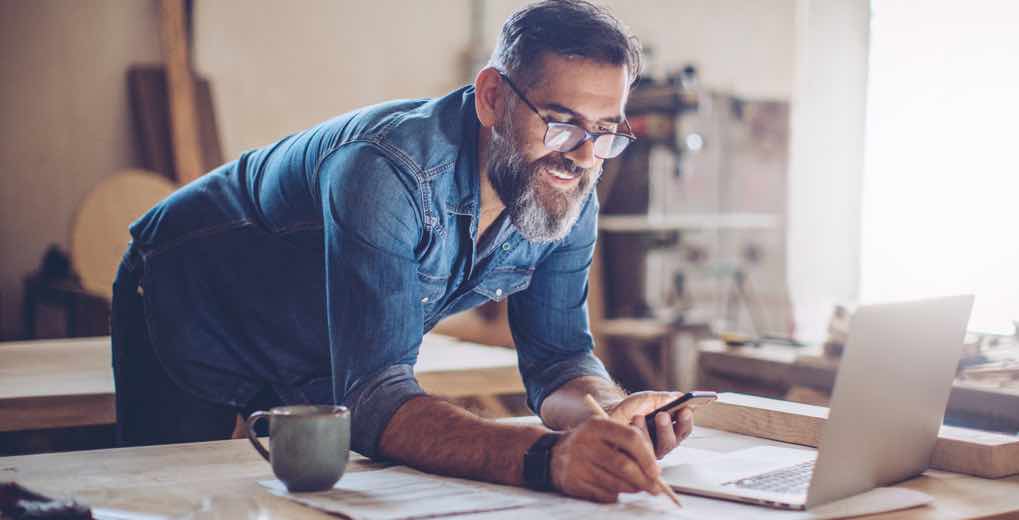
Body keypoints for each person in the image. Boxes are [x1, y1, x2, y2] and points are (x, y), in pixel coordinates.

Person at [111, 0, 694, 503]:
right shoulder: (386, 172)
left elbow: (560, 360)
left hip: (319, 351)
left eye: (605, 132)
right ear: (492, 97)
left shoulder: (567, 194)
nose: (583, 156)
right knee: (172, 501)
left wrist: (609, 415)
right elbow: (374, 399)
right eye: (562, 122)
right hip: (191, 303)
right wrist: (546, 459)